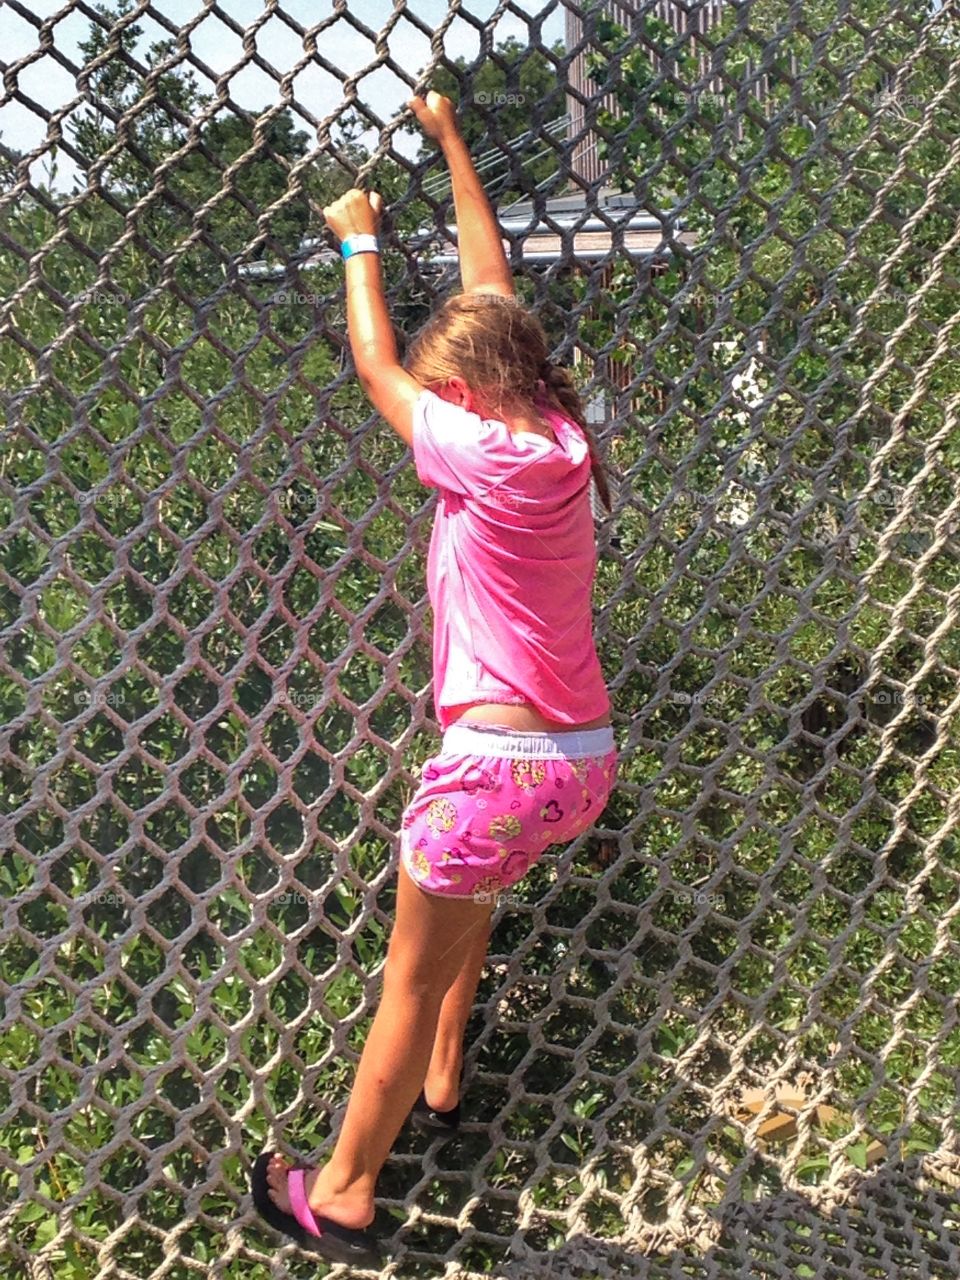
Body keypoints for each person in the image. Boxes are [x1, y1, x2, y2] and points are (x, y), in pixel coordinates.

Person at [250, 91, 619, 1267]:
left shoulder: (477, 448)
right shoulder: (557, 431)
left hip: (494, 768)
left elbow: (374, 361)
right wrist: (452, 140)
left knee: (406, 975)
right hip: (579, 766)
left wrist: (359, 234)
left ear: (460, 394)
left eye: (438, 384)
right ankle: (449, 1080)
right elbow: (492, 285)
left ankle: (344, 1190)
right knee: (481, 886)